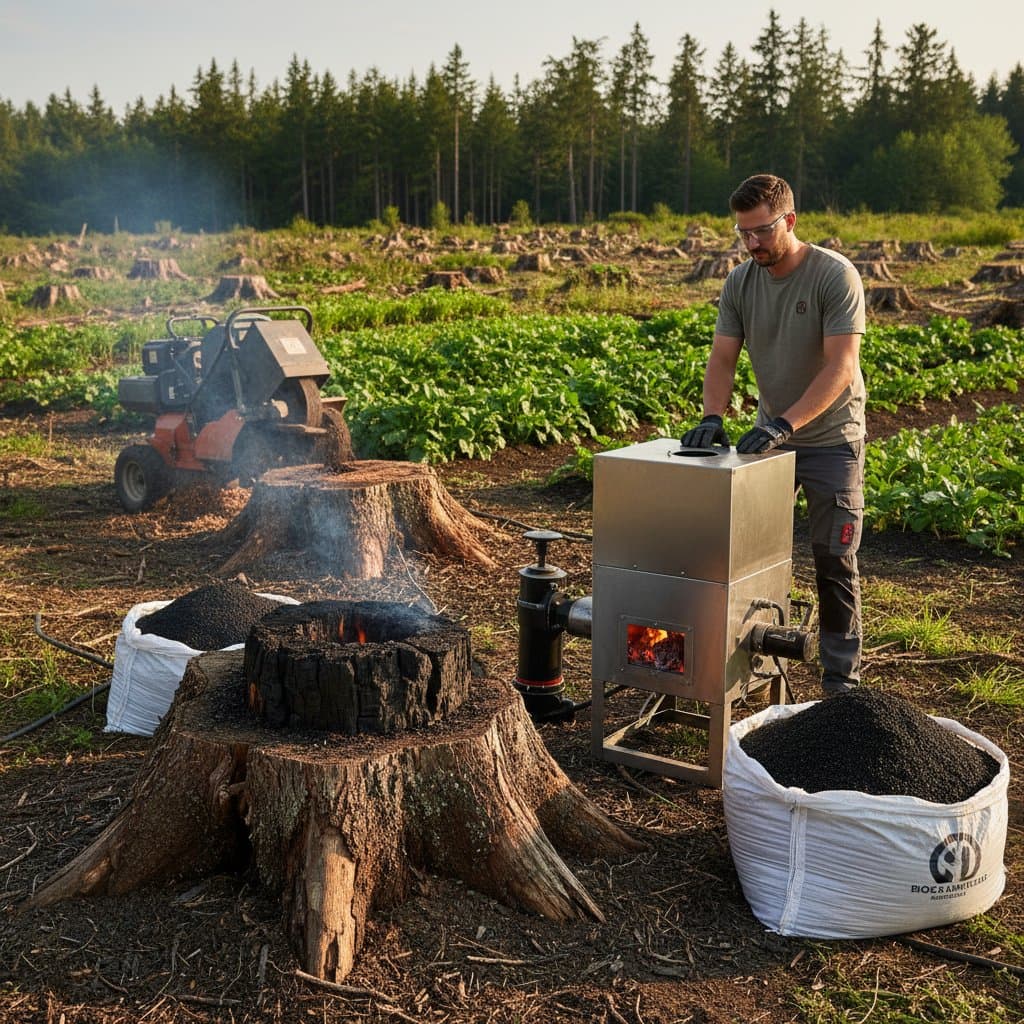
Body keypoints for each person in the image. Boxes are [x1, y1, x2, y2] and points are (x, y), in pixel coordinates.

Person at [681, 173, 866, 695]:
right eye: (743, 233)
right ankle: (747, 663)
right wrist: (712, 418)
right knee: (744, 553)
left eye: (762, 231)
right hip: (772, 439)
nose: (752, 243)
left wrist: (786, 424)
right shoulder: (741, 282)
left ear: (790, 220)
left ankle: (841, 682)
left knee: (833, 560)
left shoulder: (834, 275)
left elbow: (841, 366)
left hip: (831, 440)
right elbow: (723, 358)